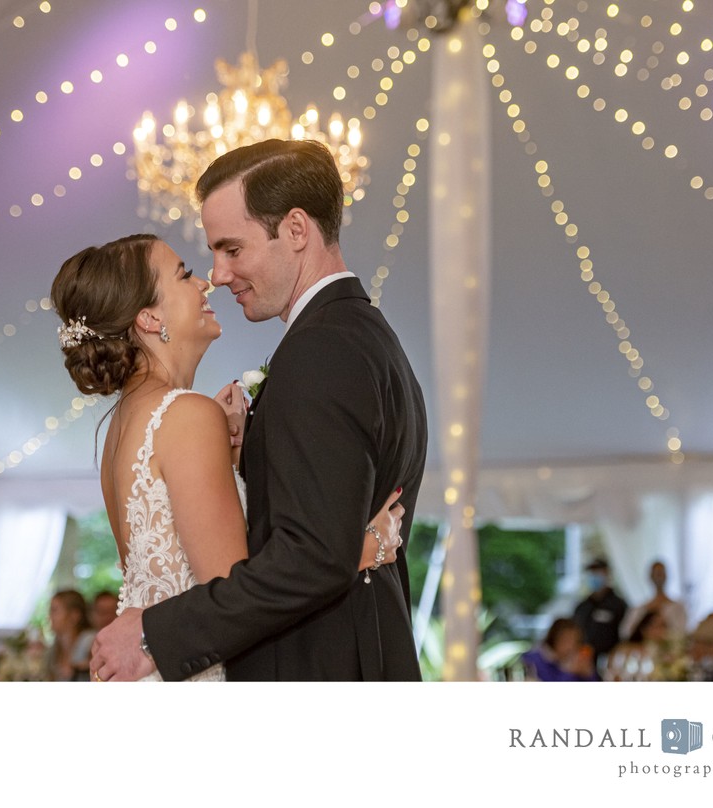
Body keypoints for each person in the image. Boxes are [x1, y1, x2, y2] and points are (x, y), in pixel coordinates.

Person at [89, 138, 428, 681]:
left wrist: (155, 632)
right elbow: (316, 530)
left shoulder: (324, 349)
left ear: (296, 230)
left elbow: (311, 556)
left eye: (232, 249)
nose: (217, 275)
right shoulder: (358, 335)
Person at [572, 557, 628, 676]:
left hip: (610, 665)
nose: (594, 576)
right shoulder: (582, 607)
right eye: (592, 572)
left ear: (607, 573)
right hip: (582, 664)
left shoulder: (619, 605)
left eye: (598, 572)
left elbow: (626, 636)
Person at [620, 559, 687, 641]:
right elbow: (625, 632)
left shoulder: (678, 607)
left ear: (666, 575)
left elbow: (682, 632)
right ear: (650, 576)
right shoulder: (639, 609)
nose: (659, 576)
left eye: (661, 573)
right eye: (656, 573)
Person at [520, 618, 597, 681]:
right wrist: (568, 672)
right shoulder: (533, 660)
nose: (572, 646)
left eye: (576, 641)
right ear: (555, 639)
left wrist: (589, 674)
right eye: (567, 640)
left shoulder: (577, 660)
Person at [45, 589, 96, 682]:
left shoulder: (90, 641)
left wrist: (76, 668)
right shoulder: (56, 646)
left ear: (74, 615)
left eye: (54, 611)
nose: (49, 617)